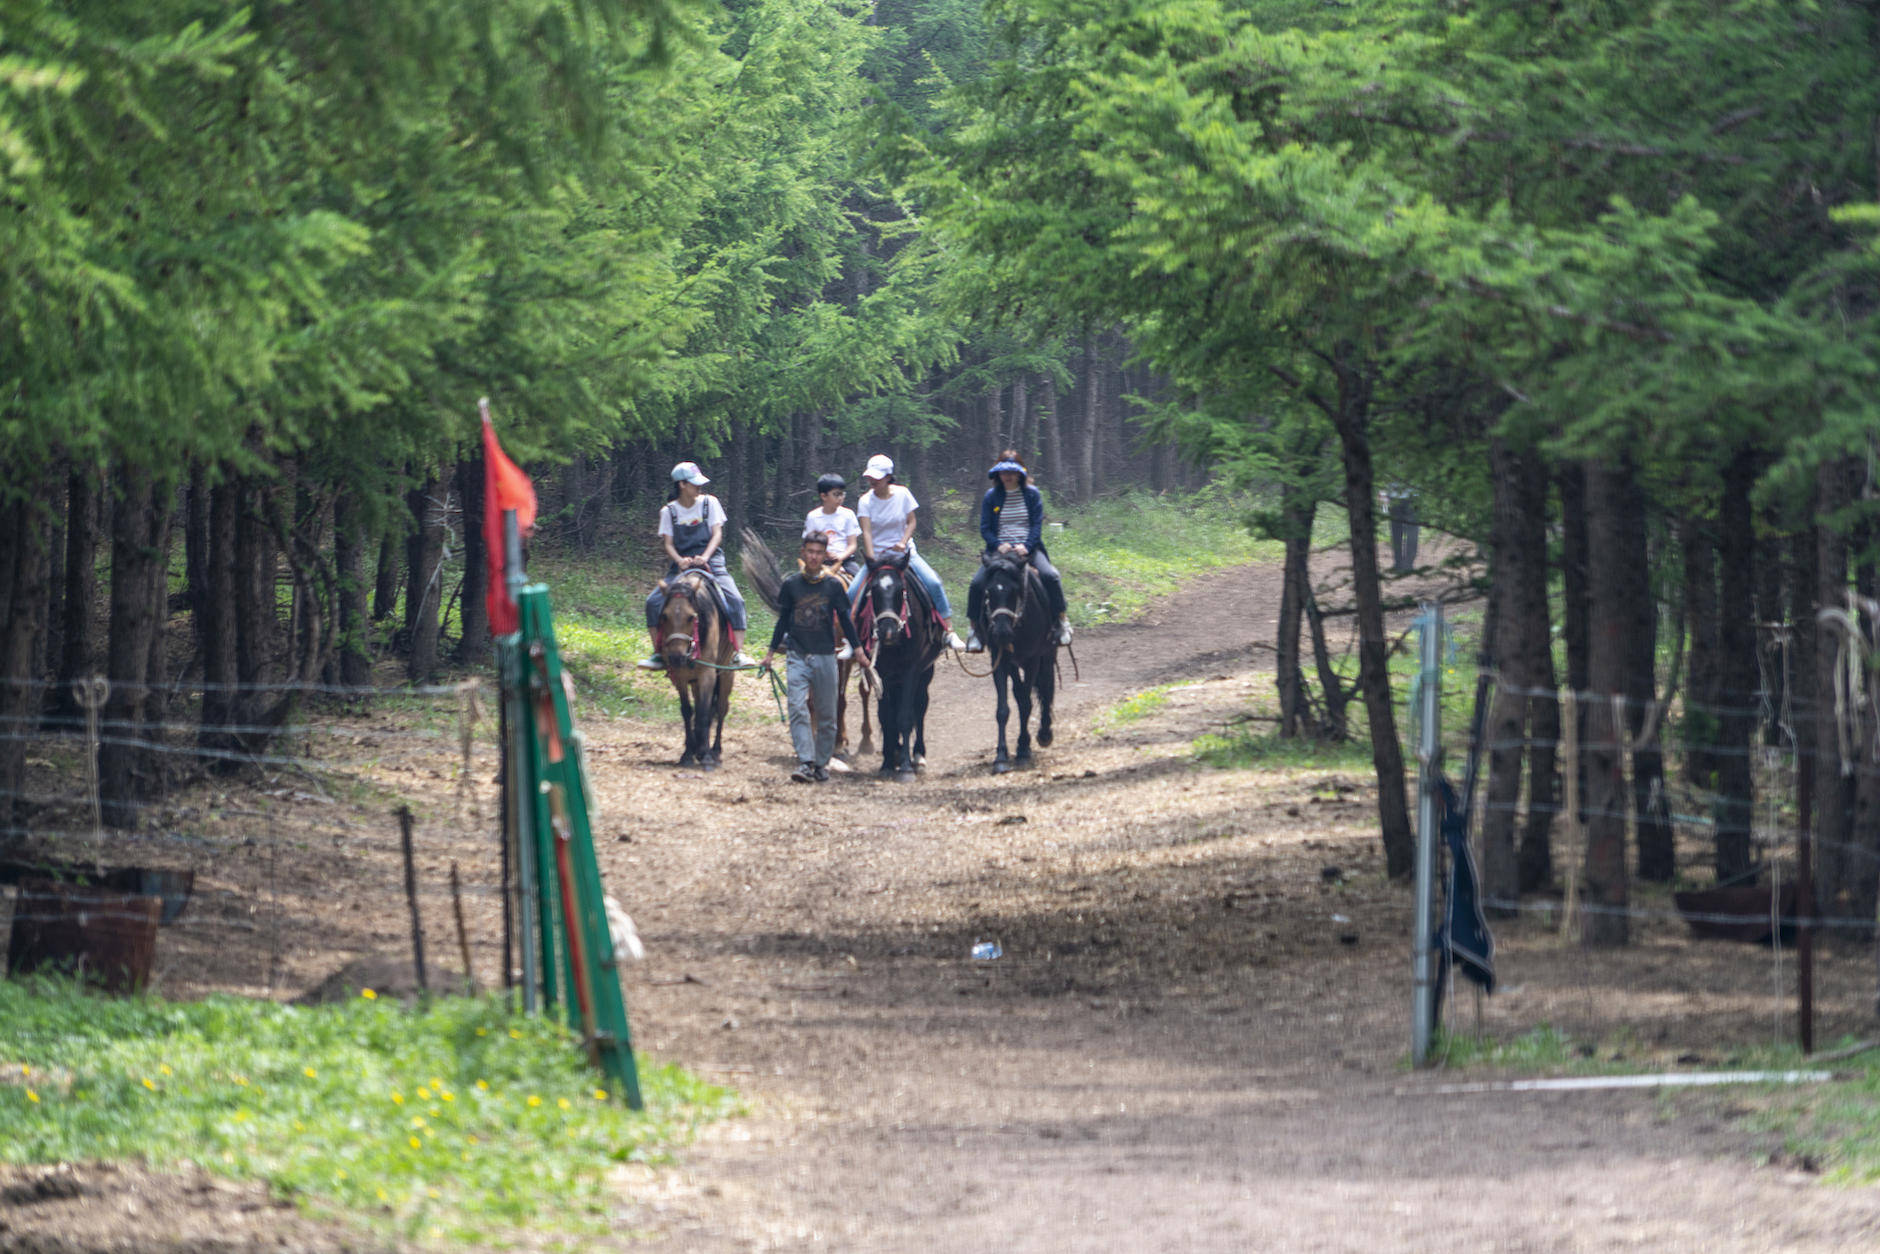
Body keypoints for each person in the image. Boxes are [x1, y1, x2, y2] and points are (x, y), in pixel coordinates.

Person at [761, 533, 862, 783]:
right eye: (810, 551)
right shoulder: (792, 585)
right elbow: (783, 619)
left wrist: (858, 649)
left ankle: (821, 763)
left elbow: (846, 620)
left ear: (824, 554)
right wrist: (771, 651)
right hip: (798, 654)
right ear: (803, 553)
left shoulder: (834, 587)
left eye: (819, 552)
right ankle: (806, 762)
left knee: (827, 714)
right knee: (797, 707)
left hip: (826, 656)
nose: (814, 556)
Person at [637, 461, 753, 669]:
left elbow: (717, 534)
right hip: (681, 565)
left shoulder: (710, 503)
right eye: (693, 483)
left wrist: (705, 557)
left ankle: (738, 652)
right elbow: (669, 544)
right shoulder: (669, 511)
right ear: (681, 485)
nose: (699, 487)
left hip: (712, 562)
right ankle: (658, 652)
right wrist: (680, 560)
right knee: (653, 602)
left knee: (735, 599)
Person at [849, 454, 965, 651]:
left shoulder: (903, 494)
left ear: (888, 477)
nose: (872, 481)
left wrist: (903, 542)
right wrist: (871, 559)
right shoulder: (865, 501)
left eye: (876, 478)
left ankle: (948, 630)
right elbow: (866, 531)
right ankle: (851, 640)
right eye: (870, 478)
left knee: (934, 582)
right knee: (852, 592)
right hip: (877, 557)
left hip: (903, 555)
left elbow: (911, 521)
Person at [965, 451, 1071, 650]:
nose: (1008, 476)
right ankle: (975, 631)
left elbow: (1036, 525)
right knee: (977, 584)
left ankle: (1061, 622)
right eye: (1004, 472)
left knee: (1051, 576)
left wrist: (1027, 546)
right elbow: (985, 528)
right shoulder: (991, 497)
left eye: (1012, 472)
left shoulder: (1032, 494)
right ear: (998, 474)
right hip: (999, 552)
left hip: (1027, 550)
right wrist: (997, 544)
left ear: (1020, 474)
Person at [803, 473, 864, 581]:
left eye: (842, 494)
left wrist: (840, 557)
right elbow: (809, 543)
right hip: (819, 561)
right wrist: (824, 553)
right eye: (836, 494)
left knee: (861, 584)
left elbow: (852, 544)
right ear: (823, 496)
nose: (840, 498)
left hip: (846, 561)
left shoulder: (848, 514)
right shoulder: (813, 517)